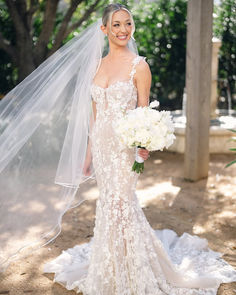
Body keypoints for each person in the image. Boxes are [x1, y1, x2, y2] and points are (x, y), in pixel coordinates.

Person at [0, 3, 235, 294]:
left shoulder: (140, 66)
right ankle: (111, 263)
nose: (123, 30)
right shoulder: (96, 66)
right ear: (104, 30)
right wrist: (88, 153)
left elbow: (143, 111)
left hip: (124, 149)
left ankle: (133, 270)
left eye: (127, 24)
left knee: (121, 204)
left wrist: (143, 144)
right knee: (109, 204)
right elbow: (94, 115)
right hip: (102, 146)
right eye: (116, 25)